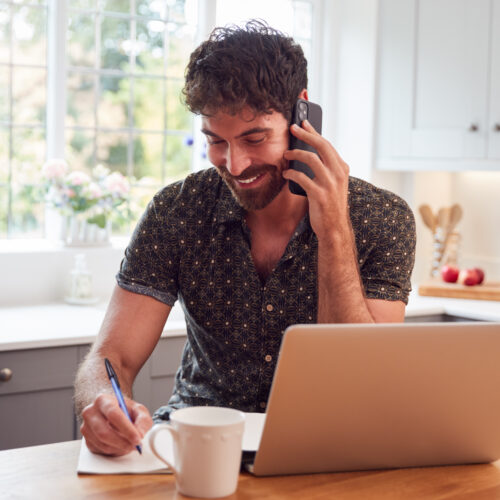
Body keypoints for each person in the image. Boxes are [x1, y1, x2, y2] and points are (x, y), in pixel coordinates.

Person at [74, 20, 416, 456]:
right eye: (216, 141)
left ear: (301, 114)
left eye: (255, 138)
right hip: (195, 442)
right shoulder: (177, 211)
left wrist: (332, 230)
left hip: (325, 449)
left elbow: (366, 379)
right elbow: (111, 357)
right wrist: (102, 400)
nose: (235, 164)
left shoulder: (381, 218)